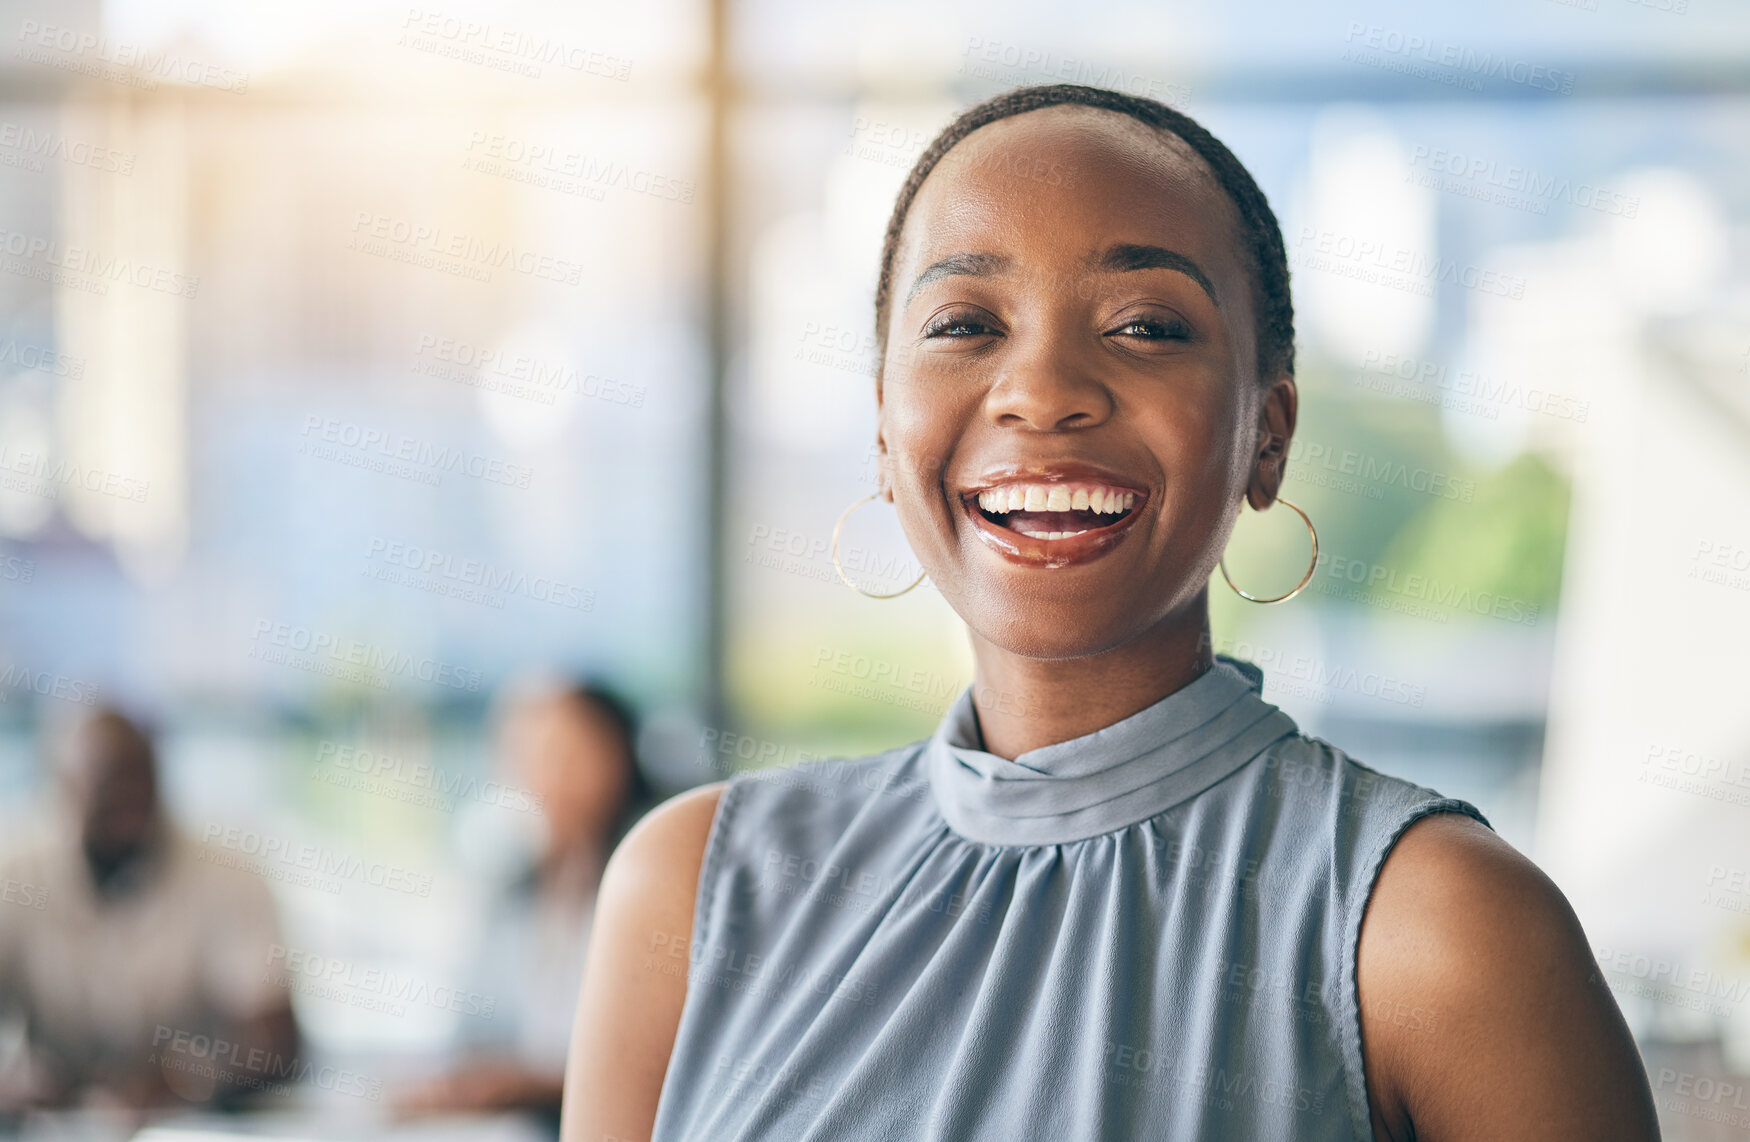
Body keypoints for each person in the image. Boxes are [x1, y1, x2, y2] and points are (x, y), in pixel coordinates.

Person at [561, 84, 1660, 1141]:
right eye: (963, 322)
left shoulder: (1441, 928)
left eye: (1143, 325)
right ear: (884, 432)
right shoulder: (693, 886)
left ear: (1265, 434)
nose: (1041, 389)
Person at [0, 708, 299, 1113]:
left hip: (193, 1123)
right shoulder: (14, 876)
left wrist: (189, 1079)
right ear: (64, 790)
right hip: (50, 1121)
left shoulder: (228, 874)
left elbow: (276, 1041)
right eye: (108, 788)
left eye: (140, 780)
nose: (128, 801)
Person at [395, 680, 652, 1133]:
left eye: (564, 753)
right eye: (525, 755)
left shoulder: (649, 884)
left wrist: (535, 1084)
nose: (547, 775)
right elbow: (472, 1034)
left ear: (618, 755)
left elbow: (660, 1062)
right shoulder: (509, 891)